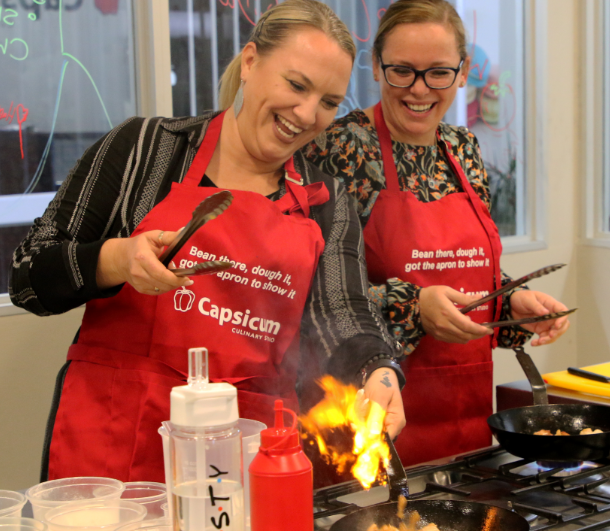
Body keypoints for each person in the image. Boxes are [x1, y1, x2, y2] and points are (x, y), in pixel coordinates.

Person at [10, 0, 406, 483]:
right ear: (251, 62)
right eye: (296, 85)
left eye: (328, 102)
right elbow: (28, 276)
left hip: (242, 457)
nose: (306, 114)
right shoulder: (145, 151)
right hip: (113, 443)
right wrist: (115, 259)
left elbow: (343, 312)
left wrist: (378, 371)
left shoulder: (326, 200)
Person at [303, 0, 570, 466]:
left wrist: (506, 302)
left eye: (439, 72)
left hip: (465, 419)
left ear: (463, 71)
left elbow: (469, 270)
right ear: (375, 67)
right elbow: (313, 295)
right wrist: (413, 307)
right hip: (370, 420)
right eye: (402, 71)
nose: (420, 89)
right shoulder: (340, 147)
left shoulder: (464, 150)